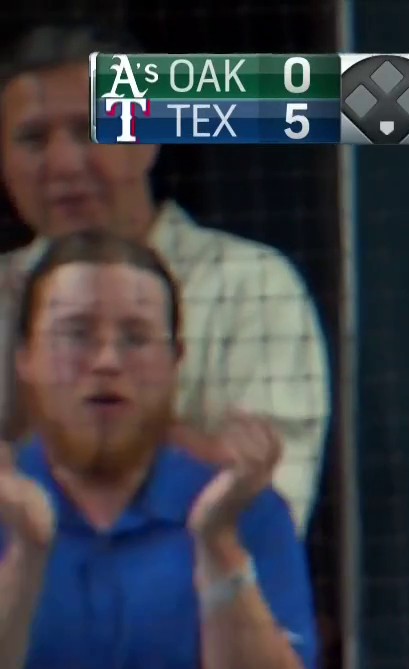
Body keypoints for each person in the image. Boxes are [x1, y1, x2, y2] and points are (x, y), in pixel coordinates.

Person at [0, 231, 318, 669]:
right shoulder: (4, 503)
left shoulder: (246, 514)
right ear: (25, 358)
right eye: (76, 334)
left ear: (176, 363)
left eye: (137, 338)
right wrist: (26, 551)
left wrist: (217, 547)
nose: (107, 360)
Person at [0, 23, 332, 532]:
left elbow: (271, 516)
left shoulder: (250, 285)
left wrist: (78, 413)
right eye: (32, 139)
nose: (63, 164)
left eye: (92, 129)